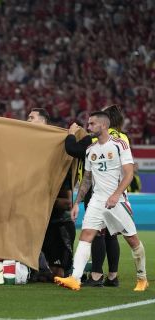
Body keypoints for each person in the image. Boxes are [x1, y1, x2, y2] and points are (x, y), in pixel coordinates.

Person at [55, 111, 148, 291]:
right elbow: (87, 179)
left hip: (117, 200)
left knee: (132, 240)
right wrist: (76, 203)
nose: (88, 127)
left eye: (91, 124)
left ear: (103, 125)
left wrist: (116, 194)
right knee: (86, 235)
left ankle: (142, 278)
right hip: (97, 200)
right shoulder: (91, 149)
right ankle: (75, 279)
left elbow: (129, 174)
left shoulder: (119, 144)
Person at [65, 104, 129, 287]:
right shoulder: (123, 138)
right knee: (111, 234)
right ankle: (112, 276)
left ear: (104, 122)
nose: (91, 124)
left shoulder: (95, 138)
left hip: (98, 188)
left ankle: (96, 275)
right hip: (117, 190)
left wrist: (71, 133)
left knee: (96, 232)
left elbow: (73, 150)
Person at [28, 108, 75, 278]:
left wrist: (39, 198)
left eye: (31, 118)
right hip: (36, 222)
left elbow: (67, 203)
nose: (27, 121)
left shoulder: (59, 164)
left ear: (43, 121)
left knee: (57, 274)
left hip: (57, 224)